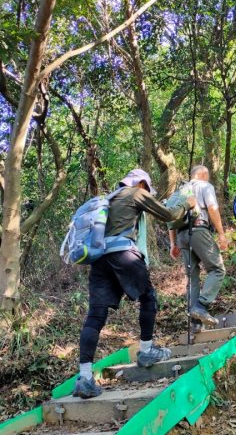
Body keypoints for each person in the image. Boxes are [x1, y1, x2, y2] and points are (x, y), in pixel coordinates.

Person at [73, 168, 196, 399]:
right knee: (148, 297)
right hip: (123, 254)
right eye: (148, 189)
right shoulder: (135, 193)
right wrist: (188, 204)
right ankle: (147, 350)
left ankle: (85, 377)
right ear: (141, 183)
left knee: (95, 316)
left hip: (100, 260)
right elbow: (169, 215)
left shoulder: (108, 200)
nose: (148, 193)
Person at [169, 165, 227, 330]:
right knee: (217, 269)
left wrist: (173, 244)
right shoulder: (204, 186)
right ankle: (201, 306)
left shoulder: (179, 192)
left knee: (192, 279)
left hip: (182, 236)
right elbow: (212, 208)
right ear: (203, 175)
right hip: (198, 230)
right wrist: (221, 234)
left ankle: (195, 323)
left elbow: (171, 220)